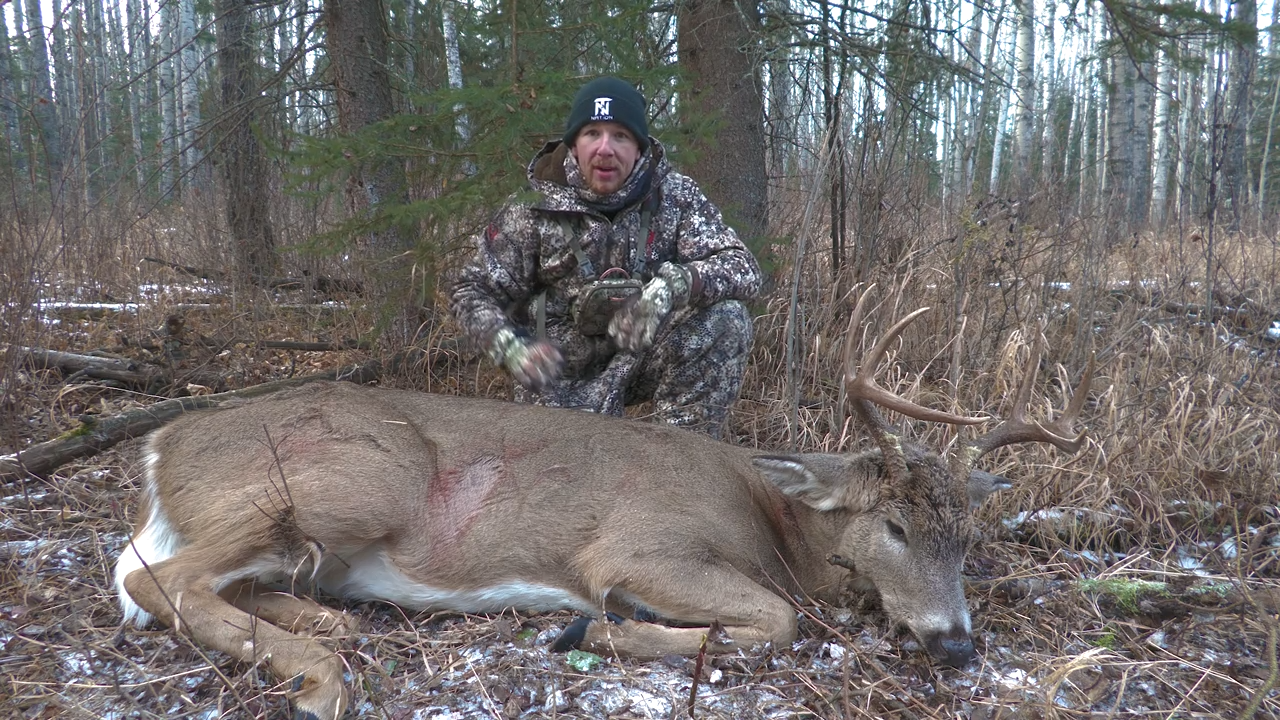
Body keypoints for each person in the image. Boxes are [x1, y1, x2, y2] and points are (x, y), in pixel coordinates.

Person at [449, 76, 761, 439]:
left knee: (727, 318)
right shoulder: (531, 208)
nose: (605, 149)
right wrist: (510, 346)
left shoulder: (675, 196)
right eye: (592, 133)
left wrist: (673, 285)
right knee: (564, 482)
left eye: (621, 136)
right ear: (574, 145)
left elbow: (742, 267)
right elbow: (470, 290)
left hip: (642, 355)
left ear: (640, 148)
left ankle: (682, 461)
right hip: (560, 373)